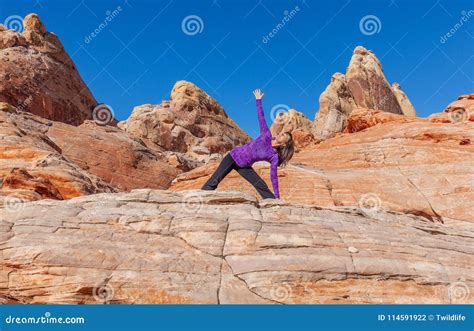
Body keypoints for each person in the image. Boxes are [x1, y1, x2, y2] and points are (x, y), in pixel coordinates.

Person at [201, 89, 294, 199]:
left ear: (283, 144)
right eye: (282, 133)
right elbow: (261, 118)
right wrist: (258, 100)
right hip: (233, 157)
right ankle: (200, 198)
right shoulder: (267, 136)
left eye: (283, 136)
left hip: (244, 166)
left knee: (261, 185)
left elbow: (273, 177)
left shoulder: (274, 156)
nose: (280, 134)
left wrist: (277, 196)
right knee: (215, 180)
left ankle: (274, 202)